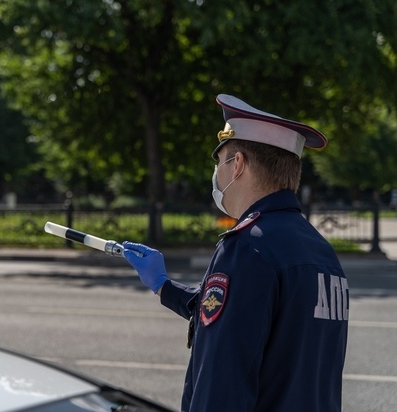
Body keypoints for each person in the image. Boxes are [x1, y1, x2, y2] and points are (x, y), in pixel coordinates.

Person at [123, 94, 348, 412]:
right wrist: (163, 285)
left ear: (238, 164)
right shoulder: (322, 251)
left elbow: (222, 382)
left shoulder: (247, 247)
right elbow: (258, 324)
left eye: (220, 161)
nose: (217, 173)